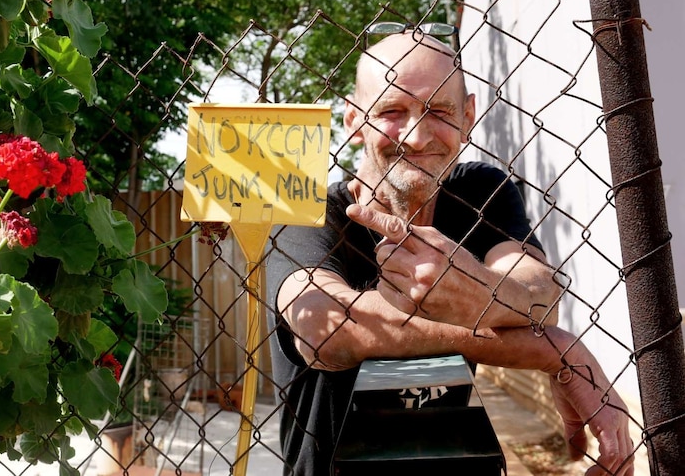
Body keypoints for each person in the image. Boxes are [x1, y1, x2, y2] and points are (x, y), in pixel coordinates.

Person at [265, 31, 634, 476]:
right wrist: (548, 349)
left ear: (468, 115)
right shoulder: (307, 212)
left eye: (439, 110)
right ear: (354, 119)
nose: (417, 137)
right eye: (392, 111)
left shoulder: (479, 190)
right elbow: (323, 329)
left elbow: (539, 292)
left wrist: (475, 287)